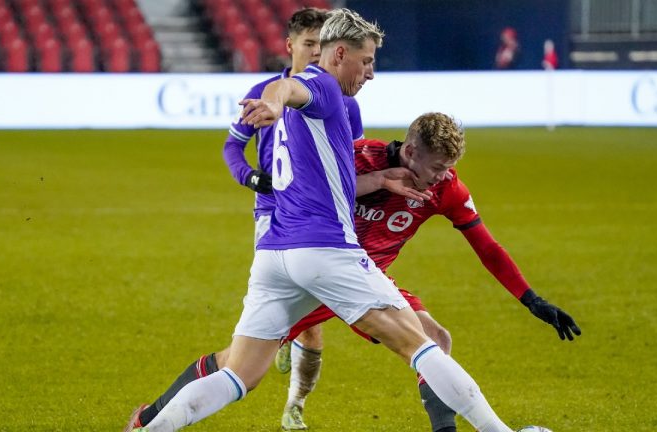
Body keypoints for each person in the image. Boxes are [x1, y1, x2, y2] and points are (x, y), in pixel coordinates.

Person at [129, 8, 565, 432]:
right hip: (325, 249)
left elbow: (313, 144)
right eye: (368, 59)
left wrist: (378, 178)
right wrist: (276, 102)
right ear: (339, 54)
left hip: (275, 252)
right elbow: (290, 91)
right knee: (421, 343)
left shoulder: (320, 98)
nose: (371, 72)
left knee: (239, 373)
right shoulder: (320, 88)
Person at [123, 8, 427, 430]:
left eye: (321, 44)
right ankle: (157, 415)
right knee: (248, 354)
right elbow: (233, 147)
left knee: (296, 336)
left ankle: (293, 408)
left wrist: (378, 181)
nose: (315, 51)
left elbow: (348, 166)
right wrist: (251, 177)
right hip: (274, 218)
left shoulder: (342, 101)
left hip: (323, 222)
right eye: (308, 44)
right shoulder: (266, 91)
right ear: (291, 46)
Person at [274, 112, 581, 432]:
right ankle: (283, 347)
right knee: (242, 367)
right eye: (437, 167)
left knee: (436, 338)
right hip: (312, 278)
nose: (442, 177)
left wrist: (532, 300)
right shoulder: (359, 158)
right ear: (409, 153)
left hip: (368, 281)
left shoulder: (446, 189)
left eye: (448, 168)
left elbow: (487, 248)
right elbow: (296, 193)